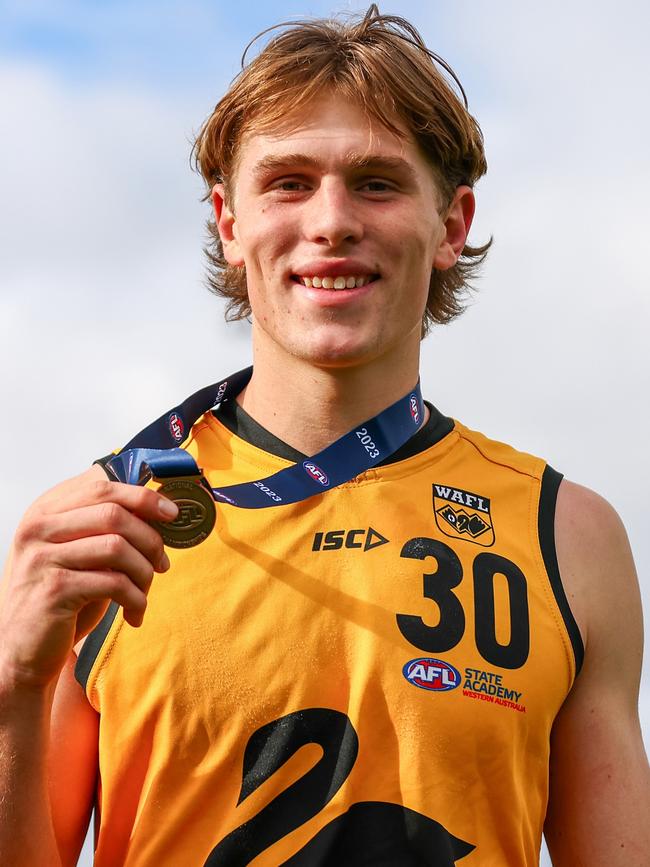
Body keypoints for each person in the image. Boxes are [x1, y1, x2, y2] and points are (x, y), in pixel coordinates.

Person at [1, 5, 648, 865]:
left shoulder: (568, 535)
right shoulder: (106, 521)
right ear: (231, 223)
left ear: (451, 225)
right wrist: (13, 686)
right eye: (288, 181)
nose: (332, 219)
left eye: (376, 182)